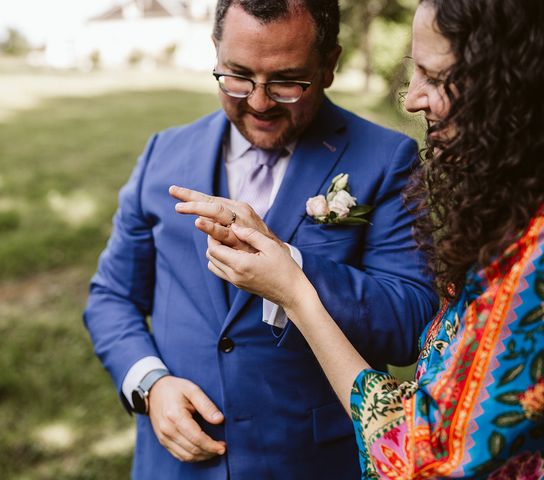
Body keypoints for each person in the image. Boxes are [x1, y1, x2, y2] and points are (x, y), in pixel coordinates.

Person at [186, 0, 544, 477]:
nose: (413, 98)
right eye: (414, 71)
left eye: (435, 78)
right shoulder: (507, 215)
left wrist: (295, 285)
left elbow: (421, 453)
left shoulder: (528, 253)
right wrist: (149, 382)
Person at [84, 0, 437, 478]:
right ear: (216, 52)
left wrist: (290, 268)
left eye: (286, 81)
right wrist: (151, 384)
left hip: (309, 462)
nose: (259, 102)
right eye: (237, 75)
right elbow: (112, 296)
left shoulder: (387, 159)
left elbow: (411, 321)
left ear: (328, 65)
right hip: (176, 465)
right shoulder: (162, 154)